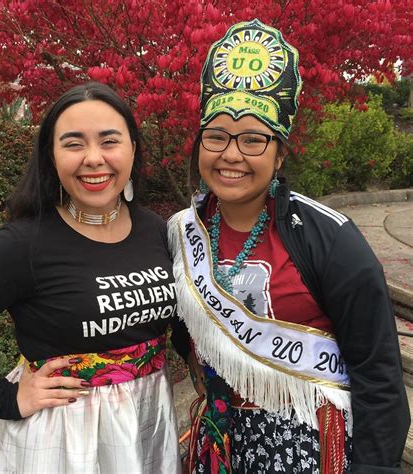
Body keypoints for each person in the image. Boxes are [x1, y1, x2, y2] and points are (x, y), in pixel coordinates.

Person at [168, 18, 409, 473]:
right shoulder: (182, 233)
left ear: (279, 154)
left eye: (253, 139)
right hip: (218, 440)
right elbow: (182, 331)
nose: (231, 154)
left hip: (309, 446)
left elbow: (378, 377)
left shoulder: (330, 240)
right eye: (216, 136)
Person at [0, 81, 187, 473]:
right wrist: (5, 398)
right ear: (51, 157)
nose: (93, 158)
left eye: (109, 141)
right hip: (63, 440)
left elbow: (179, 318)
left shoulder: (155, 229)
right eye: (73, 143)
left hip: (147, 421)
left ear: (133, 148)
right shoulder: (24, 244)